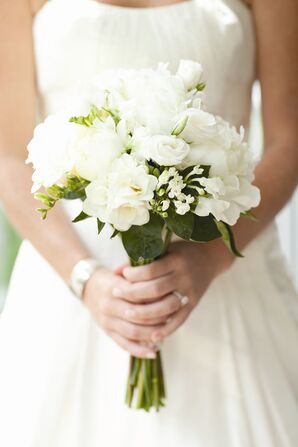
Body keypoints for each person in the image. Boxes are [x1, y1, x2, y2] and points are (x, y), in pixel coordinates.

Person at [0, 0, 297, 445]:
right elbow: (8, 153)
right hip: (69, 284)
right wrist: (85, 279)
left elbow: (288, 139)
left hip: (228, 276)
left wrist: (210, 260)